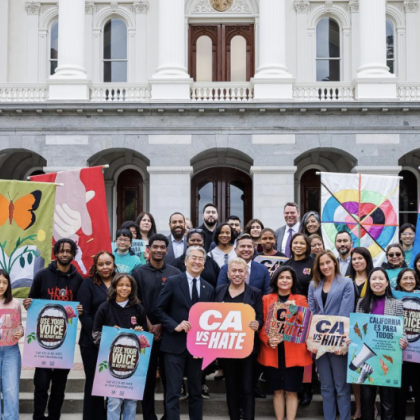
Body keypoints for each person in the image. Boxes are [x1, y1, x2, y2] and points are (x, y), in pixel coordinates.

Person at [23, 238, 84, 420]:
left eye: (68, 251)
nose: (65, 254)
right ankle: (38, 416)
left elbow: (80, 306)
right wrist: (27, 303)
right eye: (61, 250)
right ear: (55, 253)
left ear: (73, 254)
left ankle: (54, 417)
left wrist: (80, 309)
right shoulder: (42, 275)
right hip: (42, 339)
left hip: (64, 341)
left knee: (59, 386)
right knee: (41, 384)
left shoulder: (79, 279)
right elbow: (31, 300)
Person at [154, 246, 215, 420]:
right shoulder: (173, 282)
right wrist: (175, 325)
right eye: (193, 258)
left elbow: (211, 321)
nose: (197, 261)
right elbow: (159, 310)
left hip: (197, 350)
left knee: (196, 392)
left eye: (200, 259)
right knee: (173, 393)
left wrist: (204, 349)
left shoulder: (208, 288)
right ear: (186, 261)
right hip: (174, 346)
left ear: (204, 264)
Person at [132, 234, 181, 419]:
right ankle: (149, 416)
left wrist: (163, 324)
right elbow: (135, 301)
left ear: (167, 250)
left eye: (162, 247)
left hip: (169, 333)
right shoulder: (138, 272)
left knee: (171, 379)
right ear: (148, 249)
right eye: (155, 247)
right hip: (146, 333)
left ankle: (169, 416)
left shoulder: (175, 273)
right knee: (147, 377)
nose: (159, 250)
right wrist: (150, 324)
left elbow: (178, 303)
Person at [350, 268, 407, 420]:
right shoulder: (362, 303)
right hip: (367, 360)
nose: (377, 282)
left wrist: (404, 341)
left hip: (389, 359)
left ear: (387, 282)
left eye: (381, 279)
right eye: (374, 279)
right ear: (369, 282)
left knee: (388, 402)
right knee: (367, 400)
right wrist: (352, 340)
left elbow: (403, 331)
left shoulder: (396, 304)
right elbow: (357, 330)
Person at [258, 266, 312, 420]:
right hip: (272, 350)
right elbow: (262, 325)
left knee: (292, 391)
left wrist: (293, 309)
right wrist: (268, 340)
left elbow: (306, 323)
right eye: (281, 277)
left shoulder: (300, 299)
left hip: (294, 352)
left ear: (293, 280)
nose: (284, 280)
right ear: (275, 280)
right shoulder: (266, 299)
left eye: (288, 277)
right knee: (277, 391)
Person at [93, 273, 148, 420]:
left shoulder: (138, 309)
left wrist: (140, 332)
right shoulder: (104, 308)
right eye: (121, 285)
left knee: (131, 401)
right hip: (113, 362)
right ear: (115, 287)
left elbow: (146, 339)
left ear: (132, 288)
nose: (124, 288)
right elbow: (95, 335)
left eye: (128, 285)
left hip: (133, 363)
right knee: (114, 402)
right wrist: (110, 334)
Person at [308, 250, 355, 420]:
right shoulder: (313, 284)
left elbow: (345, 313)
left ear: (335, 263)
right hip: (319, 343)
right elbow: (311, 313)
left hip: (337, 342)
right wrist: (312, 341)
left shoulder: (346, 283)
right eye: (321, 264)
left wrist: (339, 344)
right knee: (326, 386)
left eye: (328, 262)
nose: (325, 266)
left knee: (341, 387)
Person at [215, 258, 263, 420]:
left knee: (247, 388)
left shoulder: (255, 293)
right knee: (231, 387)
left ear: (246, 273)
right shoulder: (219, 291)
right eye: (234, 271)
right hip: (227, 349)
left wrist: (258, 323)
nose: (237, 274)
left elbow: (261, 317)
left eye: (240, 271)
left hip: (248, 349)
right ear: (228, 273)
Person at [77, 251, 116, 420]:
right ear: (95, 266)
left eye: (108, 263)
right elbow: (83, 314)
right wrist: (100, 335)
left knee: (114, 384)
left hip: (117, 342)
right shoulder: (88, 284)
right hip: (91, 343)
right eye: (101, 264)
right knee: (94, 384)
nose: (105, 267)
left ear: (114, 264)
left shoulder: (121, 283)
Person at [346, 247, 374, 420]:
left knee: (370, 369)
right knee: (355, 371)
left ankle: (371, 407)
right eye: (354, 259)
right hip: (351, 329)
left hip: (369, 328)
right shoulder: (346, 279)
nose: (357, 262)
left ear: (367, 259)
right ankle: (358, 408)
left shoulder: (375, 277)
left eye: (360, 258)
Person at [395, 268, 420, 420]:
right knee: (399, 396)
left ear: (416, 280)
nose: (408, 281)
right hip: (398, 356)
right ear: (399, 281)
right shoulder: (392, 298)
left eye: (411, 278)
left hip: (418, 355)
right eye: (405, 278)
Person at [0, 269, 24, 420]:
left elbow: (19, 325)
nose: (1, 285)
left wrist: (20, 331)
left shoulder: (15, 303)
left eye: (4, 282)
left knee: (11, 391)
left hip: (11, 351)